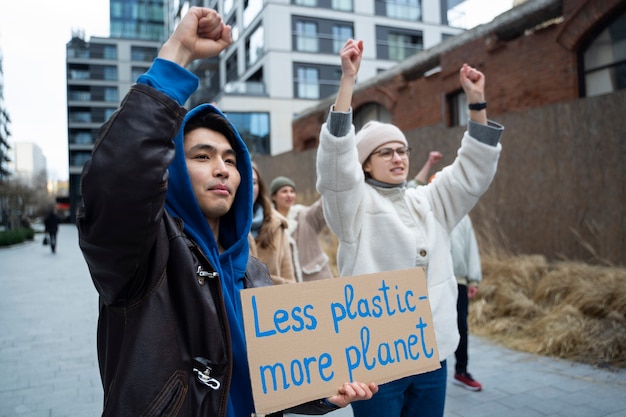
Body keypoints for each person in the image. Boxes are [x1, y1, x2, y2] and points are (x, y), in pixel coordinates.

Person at [77, 9, 376, 417]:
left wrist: (323, 395)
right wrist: (178, 53)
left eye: (232, 160)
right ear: (173, 171)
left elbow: (276, 376)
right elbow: (119, 176)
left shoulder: (253, 273)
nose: (222, 168)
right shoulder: (144, 257)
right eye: (202, 156)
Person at [315, 38, 503, 417]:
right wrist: (348, 81)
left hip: (432, 355)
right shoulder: (352, 207)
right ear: (365, 164)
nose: (398, 158)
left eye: (402, 150)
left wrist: (477, 102)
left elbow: (472, 172)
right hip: (377, 363)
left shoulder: (429, 200)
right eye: (386, 152)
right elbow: (336, 169)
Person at [270, 176, 334, 282]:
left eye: (292, 191)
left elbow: (323, 205)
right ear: (274, 196)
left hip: (318, 279)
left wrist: (331, 184)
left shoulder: (306, 215)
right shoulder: (268, 224)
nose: (289, 195)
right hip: (288, 286)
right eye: (284, 191)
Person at [249, 162, 298, 285]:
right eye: (284, 191)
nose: (249, 187)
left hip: (274, 302)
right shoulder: (219, 224)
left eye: (254, 182)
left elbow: (289, 279)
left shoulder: (277, 224)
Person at [450, 214, 483, 391]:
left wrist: (473, 279)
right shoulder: (419, 199)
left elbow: (470, 246)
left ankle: (461, 371)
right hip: (428, 279)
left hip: (459, 280)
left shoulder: (461, 213)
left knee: (461, 326)